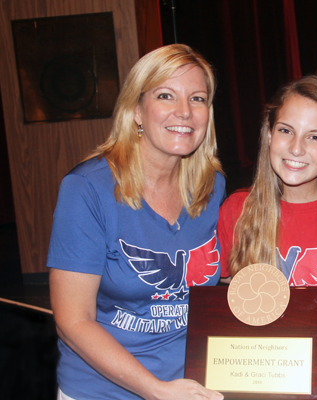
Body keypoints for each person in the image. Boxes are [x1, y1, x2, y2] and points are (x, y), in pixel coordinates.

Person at [47, 44, 225, 400]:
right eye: (165, 95)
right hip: (104, 390)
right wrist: (155, 390)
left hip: (189, 383)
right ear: (136, 111)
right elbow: (73, 321)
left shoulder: (211, 185)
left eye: (198, 98)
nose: (184, 112)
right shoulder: (86, 189)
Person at [218, 75, 317, 399]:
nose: (296, 148)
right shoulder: (237, 211)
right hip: (262, 386)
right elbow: (226, 318)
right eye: (286, 131)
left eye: (315, 137)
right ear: (269, 135)